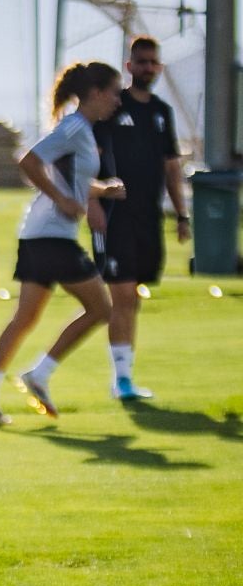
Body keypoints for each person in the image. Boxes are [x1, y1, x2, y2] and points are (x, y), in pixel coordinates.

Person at [0, 62, 126, 424]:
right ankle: (38, 374)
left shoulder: (81, 131)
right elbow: (29, 161)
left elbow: (72, 182)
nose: (118, 100)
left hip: (41, 235)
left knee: (25, 318)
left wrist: (103, 190)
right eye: (115, 93)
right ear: (97, 93)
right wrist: (61, 199)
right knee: (102, 308)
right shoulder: (73, 127)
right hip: (51, 236)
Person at [91, 35, 191, 400]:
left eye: (153, 62)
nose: (148, 67)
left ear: (159, 67)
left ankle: (126, 376)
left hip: (149, 219)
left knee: (134, 297)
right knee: (122, 295)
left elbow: (171, 166)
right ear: (129, 65)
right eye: (141, 61)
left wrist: (182, 214)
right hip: (116, 216)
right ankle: (121, 380)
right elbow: (89, 158)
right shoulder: (113, 109)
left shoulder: (162, 112)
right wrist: (93, 202)